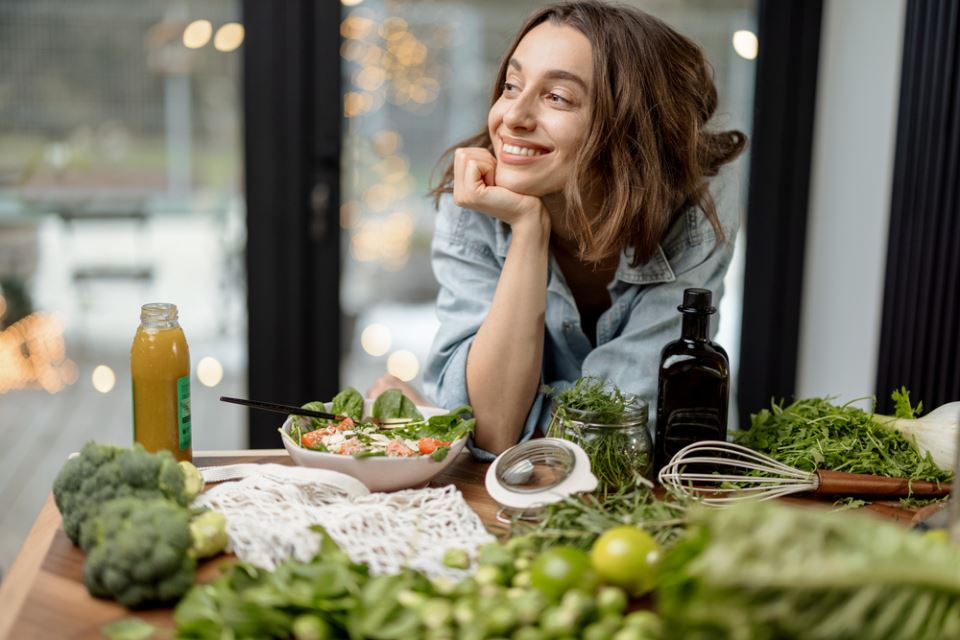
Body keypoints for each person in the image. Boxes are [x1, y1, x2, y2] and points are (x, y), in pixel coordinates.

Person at [369, 0, 746, 459]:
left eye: (558, 98)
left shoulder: (693, 215)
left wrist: (456, 416)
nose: (513, 116)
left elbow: (624, 438)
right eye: (511, 85)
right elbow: (492, 428)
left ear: (630, 129)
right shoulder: (474, 198)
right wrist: (528, 228)